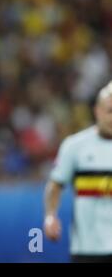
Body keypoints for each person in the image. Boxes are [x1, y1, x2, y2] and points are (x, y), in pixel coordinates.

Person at [44, 81, 112, 263]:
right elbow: (56, 184)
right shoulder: (75, 146)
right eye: (110, 111)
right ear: (97, 110)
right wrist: (50, 216)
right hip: (87, 249)